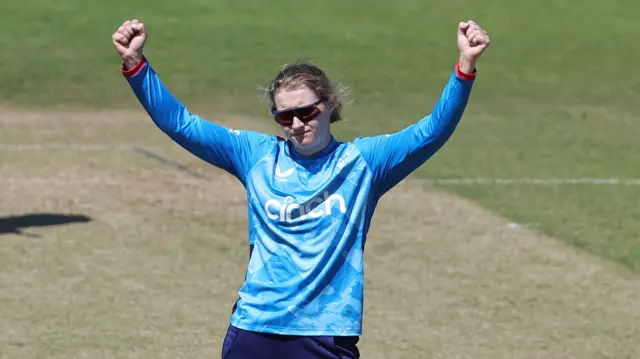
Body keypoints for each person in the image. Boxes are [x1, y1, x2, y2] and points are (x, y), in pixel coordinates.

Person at [112, 18, 490, 359]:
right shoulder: (254, 155)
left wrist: (465, 68)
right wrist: (136, 66)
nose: (296, 123)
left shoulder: (364, 162)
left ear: (329, 106)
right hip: (255, 328)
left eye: (306, 112)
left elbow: (432, 131)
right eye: (284, 116)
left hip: (326, 333)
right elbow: (182, 124)